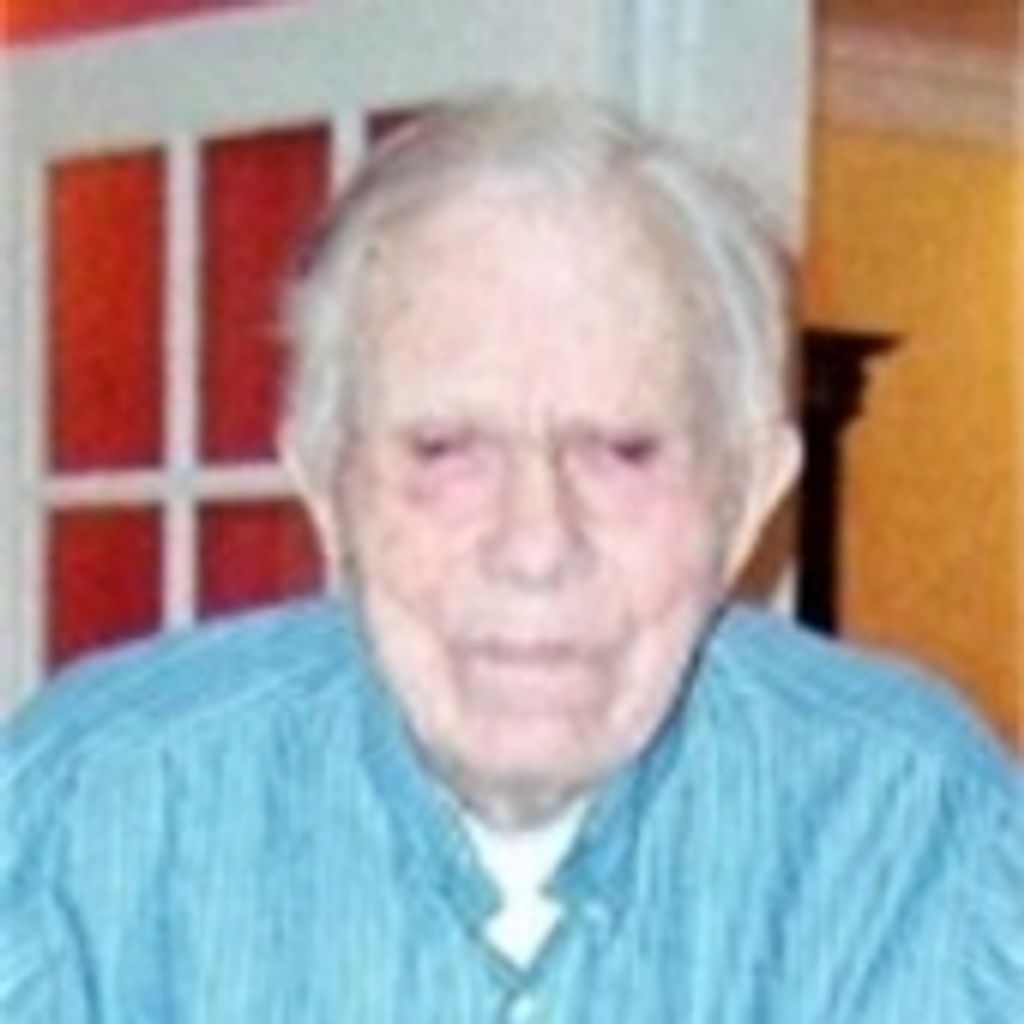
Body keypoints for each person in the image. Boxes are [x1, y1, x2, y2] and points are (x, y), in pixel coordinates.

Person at [2, 91, 1020, 1023]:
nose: (535, 545)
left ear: (749, 497)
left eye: (622, 451)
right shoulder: (78, 816)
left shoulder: (921, 828)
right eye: (445, 449)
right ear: (325, 485)